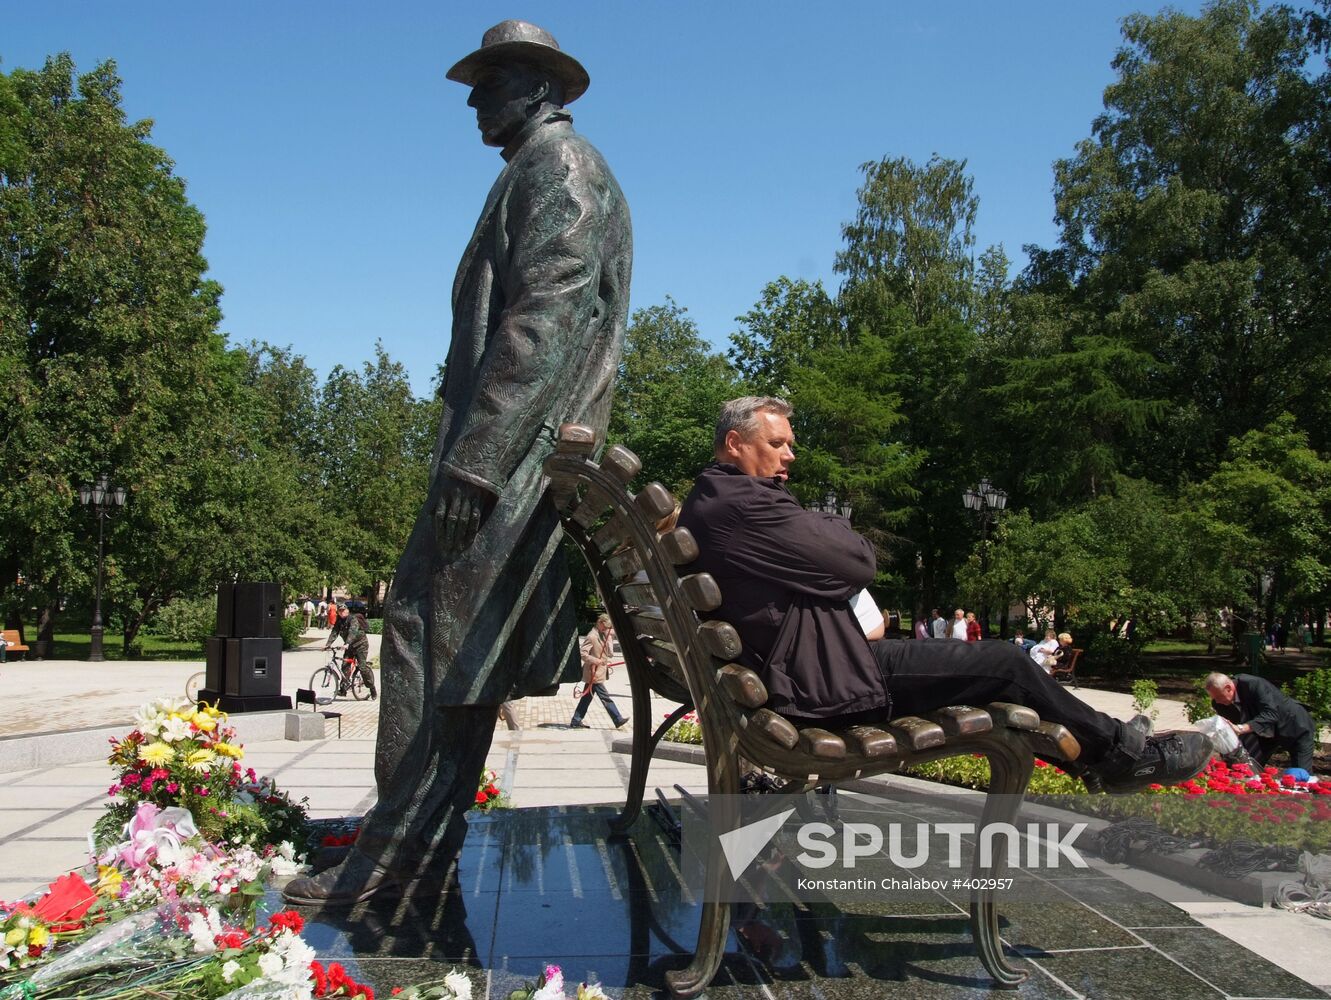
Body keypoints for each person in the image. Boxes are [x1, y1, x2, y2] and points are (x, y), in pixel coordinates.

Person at [284, 20, 632, 905]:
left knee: (423, 646)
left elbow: (544, 318)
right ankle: (404, 845)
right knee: (448, 661)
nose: (474, 100)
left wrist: (474, 464)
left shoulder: (559, 167)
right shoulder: (535, 170)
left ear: (539, 89)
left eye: (492, 82)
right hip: (514, 457)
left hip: (509, 465)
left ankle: (396, 860)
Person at [675, 396, 1210, 794]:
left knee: (996, 670)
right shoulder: (749, 505)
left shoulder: (715, 500)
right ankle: (1119, 755)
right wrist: (829, 539)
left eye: (790, 443)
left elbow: (838, 571)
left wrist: (822, 555)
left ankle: (1107, 757)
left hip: (812, 665)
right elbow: (860, 561)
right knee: (1003, 663)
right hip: (818, 680)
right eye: (778, 443)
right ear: (735, 444)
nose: (790, 455)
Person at [1205, 672, 1315, 771]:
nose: (1217, 701)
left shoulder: (1254, 684)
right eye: (1214, 698)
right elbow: (1231, 732)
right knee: (1243, 767)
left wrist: (1241, 728)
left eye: (1219, 696)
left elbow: (1271, 713)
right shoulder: (1220, 703)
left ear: (1228, 688)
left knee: (1301, 774)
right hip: (1264, 732)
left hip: (1294, 725)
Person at [569, 614, 629, 729]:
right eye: (605, 626)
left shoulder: (602, 635)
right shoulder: (592, 636)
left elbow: (610, 653)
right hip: (593, 673)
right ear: (600, 622)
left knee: (586, 698)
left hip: (599, 672)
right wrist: (596, 660)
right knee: (605, 697)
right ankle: (617, 719)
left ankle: (576, 721)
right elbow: (583, 654)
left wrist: (610, 638)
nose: (606, 629)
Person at [343, 611, 378, 700]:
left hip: (361, 645)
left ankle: (372, 688)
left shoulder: (353, 621)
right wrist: (328, 644)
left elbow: (352, 632)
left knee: (362, 667)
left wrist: (347, 643)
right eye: (339, 611)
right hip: (350, 646)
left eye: (342, 611)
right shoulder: (340, 621)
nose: (341, 613)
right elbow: (334, 632)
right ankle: (342, 688)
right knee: (345, 665)